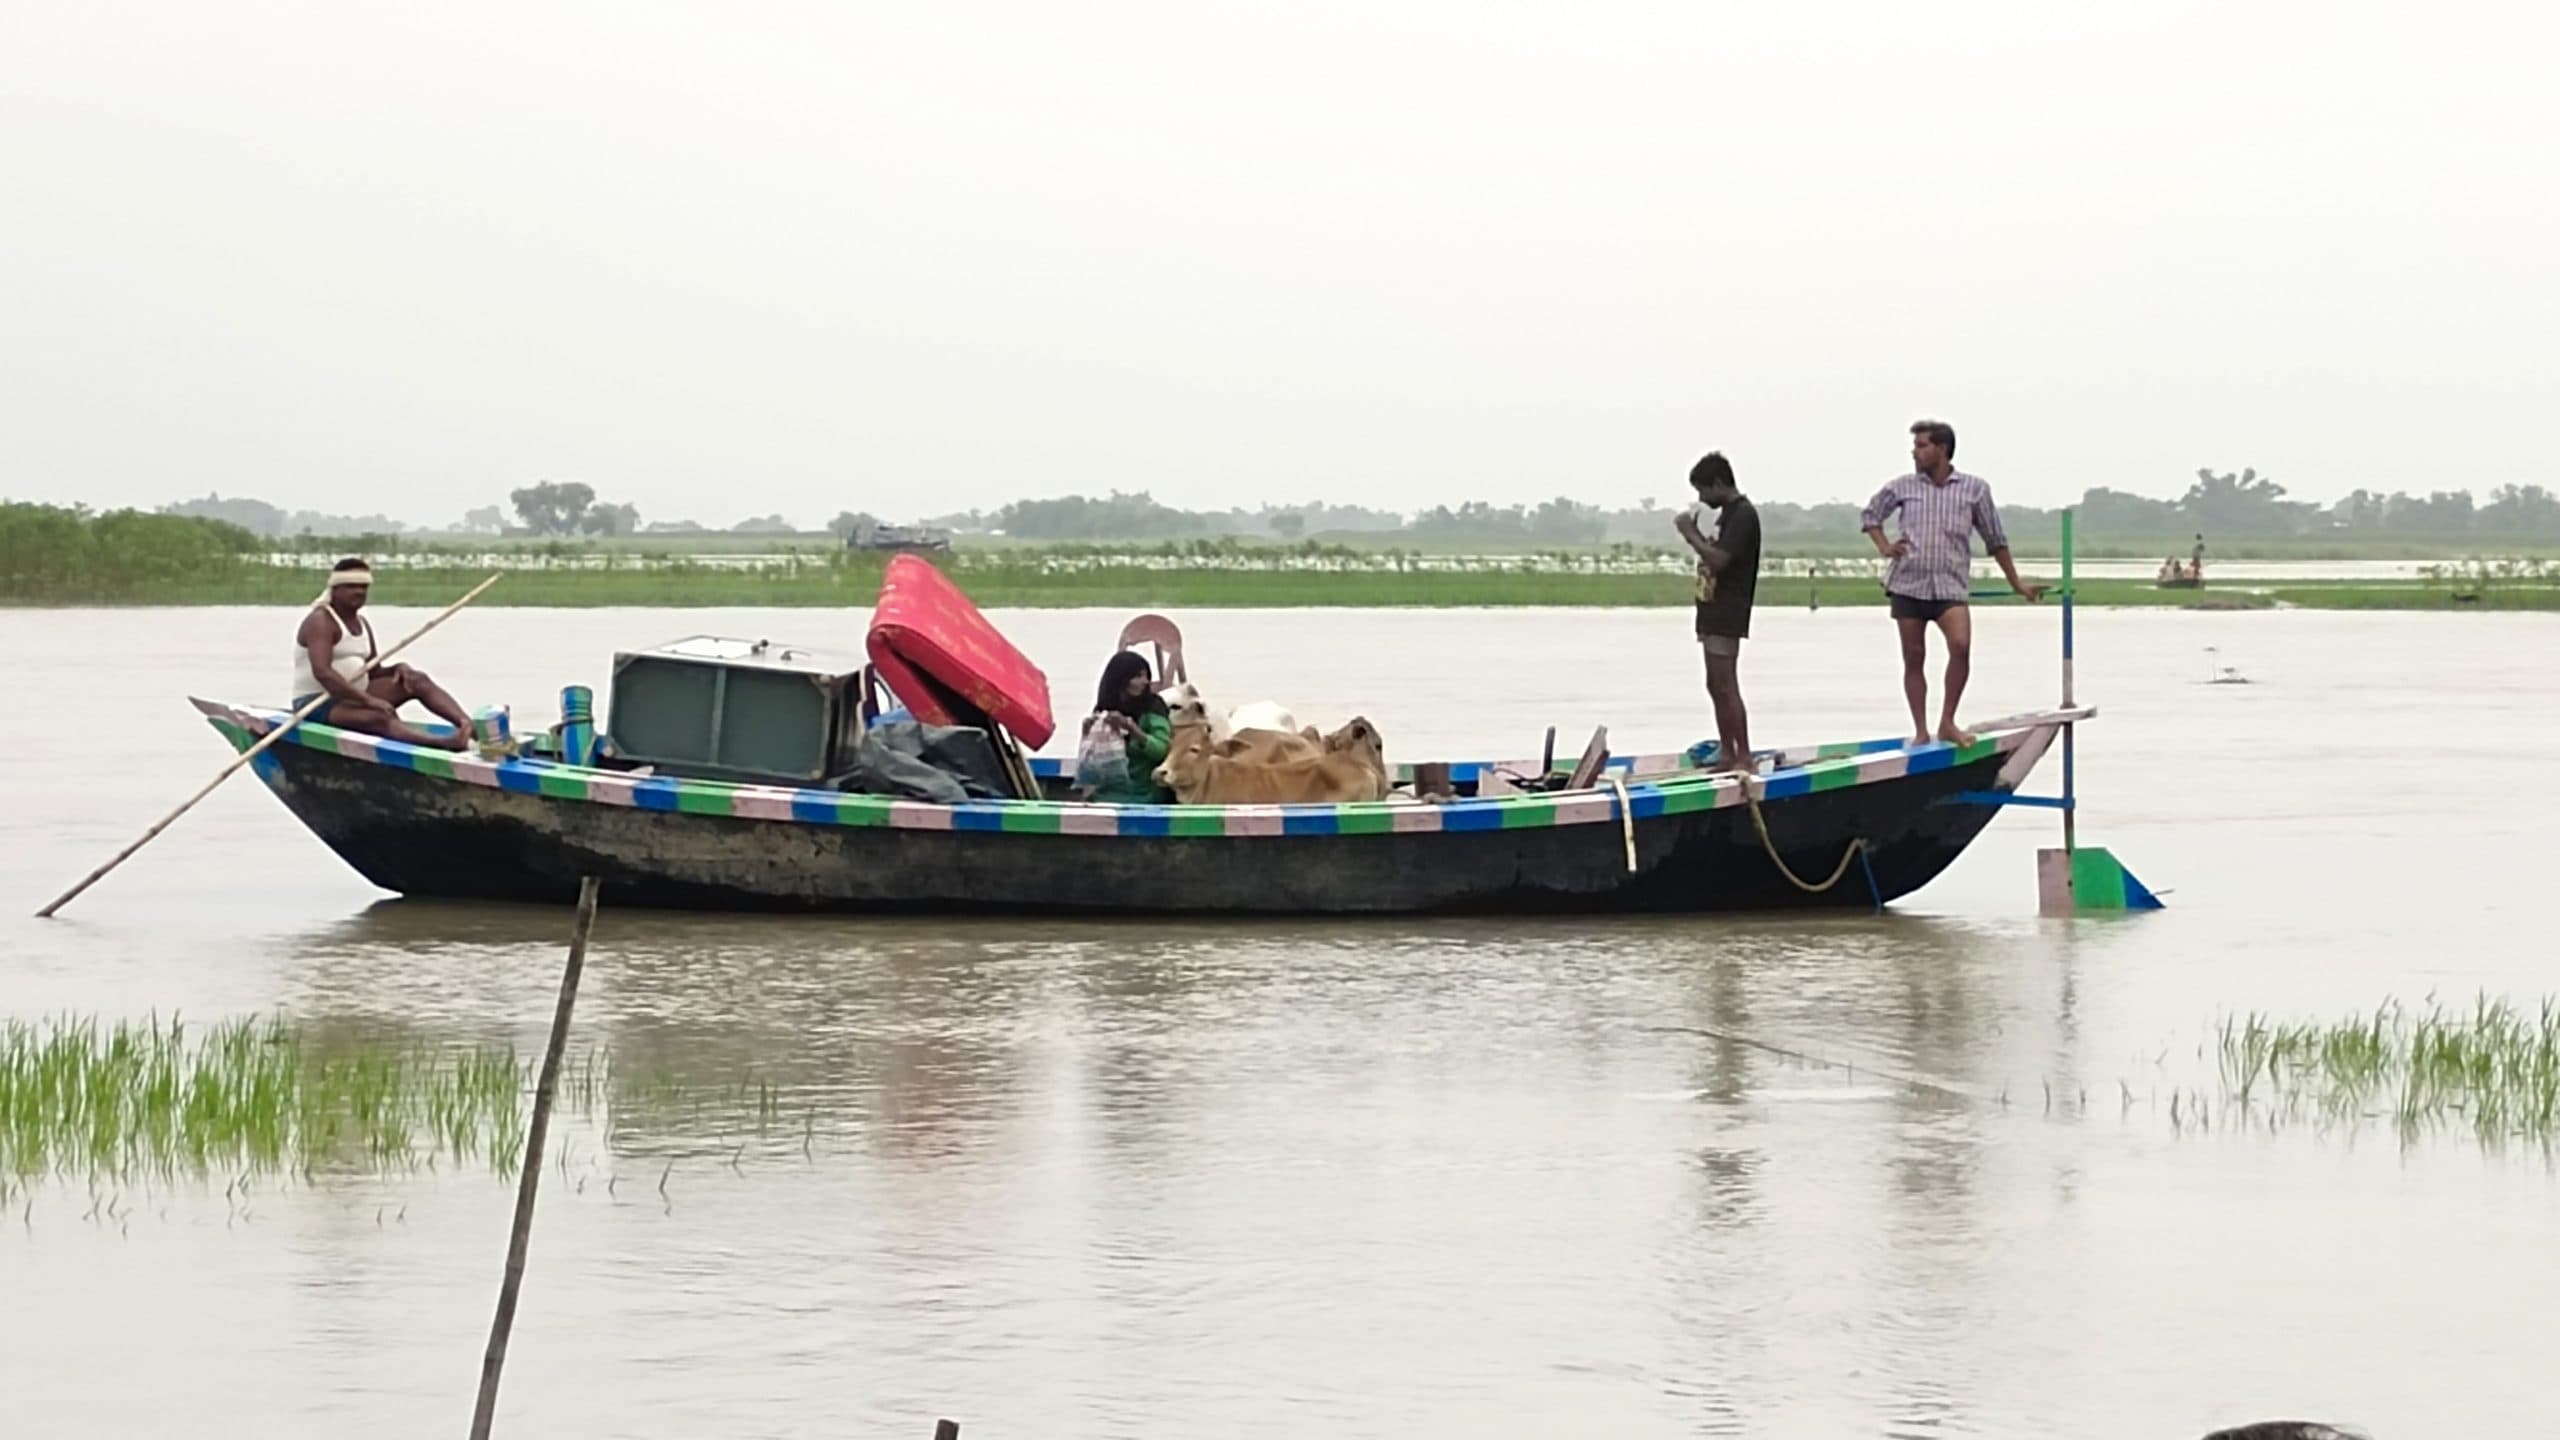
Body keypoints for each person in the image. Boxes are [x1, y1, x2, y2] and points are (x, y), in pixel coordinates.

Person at [1859, 420, 2043, 747]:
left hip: (1950, 586)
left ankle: (1947, 721)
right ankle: (1920, 729)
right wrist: (1885, 547)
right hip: (1908, 583)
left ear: (1941, 449)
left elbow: (1995, 539)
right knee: (1914, 656)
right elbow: (1871, 515)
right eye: (1915, 446)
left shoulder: (1974, 489)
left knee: (1960, 646)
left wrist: (2017, 583)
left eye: (1922, 446)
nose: (1915, 453)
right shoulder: (1903, 487)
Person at [291, 558, 473, 750]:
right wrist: (369, 701)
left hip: (355, 696)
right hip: (318, 703)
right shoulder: (321, 621)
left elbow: (374, 671)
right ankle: (443, 743)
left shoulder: (361, 622)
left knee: (416, 680)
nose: (359, 592)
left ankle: (471, 730)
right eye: (351, 587)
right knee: (379, 716)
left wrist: (399, 669)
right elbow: (323, 672)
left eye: (363, 587)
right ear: (335, 589)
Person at [1672, 452, 1761, 773]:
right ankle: (1727, 754)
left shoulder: (1743, 515)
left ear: (1719, 483)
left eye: (1703, 491)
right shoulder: (1727, 515)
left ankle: (1744, 757)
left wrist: (1690, 536)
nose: (1701, 499)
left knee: (1726, 684)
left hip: (1729, 609)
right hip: (1713, 608)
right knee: (1714, 684)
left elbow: (1721, 560)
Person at [1081, 649, 1173, 804]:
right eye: (1138, 677)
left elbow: (1162, 750)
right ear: (1121, 679)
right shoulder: (1105, 707)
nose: (1145, 682)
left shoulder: (1154, 707)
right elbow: (1090, 761)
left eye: (1146, 676)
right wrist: (1087, 732)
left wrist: (1133, 729)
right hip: (1107, 792)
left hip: (1144, 793)